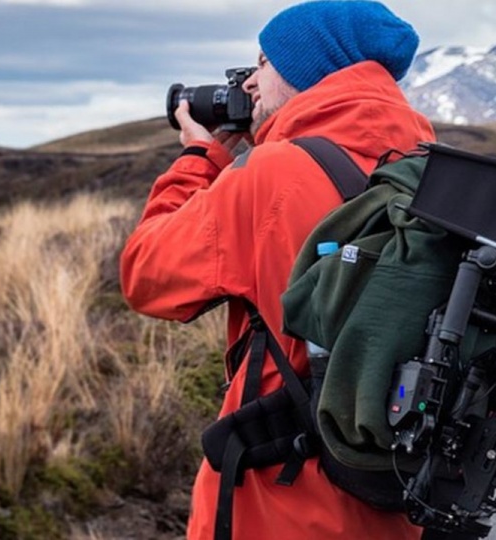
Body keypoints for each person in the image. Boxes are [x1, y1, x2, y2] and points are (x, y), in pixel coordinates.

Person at [120, 1, 435, 538]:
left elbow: (147, 276)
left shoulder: (275, 175)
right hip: (398, 493)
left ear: (309, 68)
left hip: (280, 498)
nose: (249, 84)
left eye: (263, 62)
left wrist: (199, 160)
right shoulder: (430, 169)